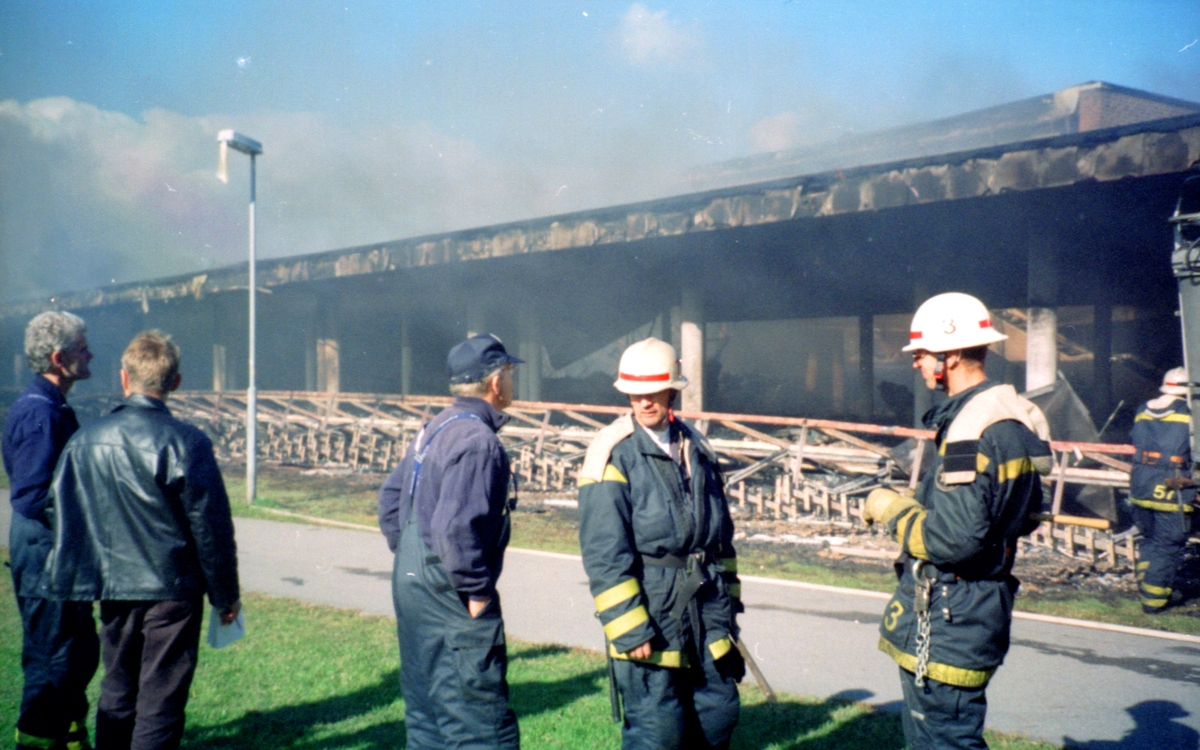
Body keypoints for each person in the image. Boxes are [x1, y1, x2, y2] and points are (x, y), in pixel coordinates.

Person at [862, 292, 1052, 750]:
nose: (916, 364)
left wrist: (892, 509)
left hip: (950, 614)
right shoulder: (1014, 420)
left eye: (922, 355)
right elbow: (1023, 517)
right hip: (976, 607)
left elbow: (953, 540)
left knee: (942, 739)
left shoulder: (972, 430)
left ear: (948, 357)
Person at [43, 331, 240, 750]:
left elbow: (55, 509)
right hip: (173, 590)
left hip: (114, 589)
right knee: (161, 700)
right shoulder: (188, 441)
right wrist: (227, 597)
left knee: (117, 691)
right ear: (175, 383)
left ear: (123, 377)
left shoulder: (85, 441)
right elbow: (212, 528)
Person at [577, 337, 742, 750]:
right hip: (653, 611)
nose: (645, 403)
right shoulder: (612, 455)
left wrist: (730, 606)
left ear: (672, 391)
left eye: (654, 393)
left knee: (719, 715)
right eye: (636, 395)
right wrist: (629, 627)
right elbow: (604, 554)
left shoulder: (697, 447)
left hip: (708, 607)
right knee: (659, 732)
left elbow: (722, 536)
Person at [378, 333, 523, 750]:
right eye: (509, 372)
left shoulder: (434, 428)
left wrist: (414, 560)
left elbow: (390, 501)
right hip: (454, 597)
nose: (511, 381)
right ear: (496, 382)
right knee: (481, 728)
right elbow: (455, 529)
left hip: (416, 590)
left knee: (427, 724)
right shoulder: (479, 441)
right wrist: (475, 591)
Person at [3, 311, 99, 750]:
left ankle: (69, 736)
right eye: (83, 347)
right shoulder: (41, 416)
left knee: (72, 650)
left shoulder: (48, 407)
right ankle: (39, 742)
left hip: (50, 547)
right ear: (59, 358)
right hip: (46, 549)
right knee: (52, 656)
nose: (91, 353)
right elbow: (34, 497)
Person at [1128, 367, 1195, 614]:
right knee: (1168, 544)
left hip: (1140, 482)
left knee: (1149, 539)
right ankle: (1154, 601)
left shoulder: (1142, 409)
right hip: (1171, 484)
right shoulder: (1190, 413)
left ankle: (1145, 586)